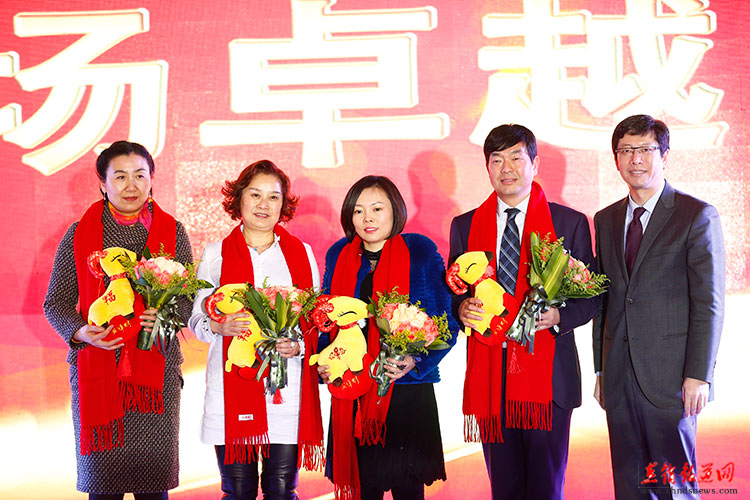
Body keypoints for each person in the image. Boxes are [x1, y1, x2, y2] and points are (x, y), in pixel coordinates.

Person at [448, 124, 599, 500]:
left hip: (547, 376)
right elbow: (453, 290)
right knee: (505, 487)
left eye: (516, 157)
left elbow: (592, 297)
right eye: (496, 160)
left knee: (546, 487)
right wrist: (460, 308)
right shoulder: (466, 226)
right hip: (491, 374)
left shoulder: (569, 223)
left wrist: (559, 317)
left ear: (535, 164)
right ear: (487, 167)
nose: (507, 168)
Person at [43, 141, 194, 500]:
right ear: (103, 183)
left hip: (154, 380)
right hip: (99, 374)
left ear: (152, 179)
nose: (131, 185)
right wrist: (81, 331)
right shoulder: (79, 234)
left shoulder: (173, 232)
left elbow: (187, 299)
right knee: (103, 488)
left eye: (139, 175)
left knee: (152, 489)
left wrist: (165, 317)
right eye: (120, 176)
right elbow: (55, 303)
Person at [592, 114, 725, 499]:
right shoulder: (605, 219)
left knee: (674, 486)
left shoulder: (695, 215)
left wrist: (699, 374)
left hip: (672, 380)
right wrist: (601, 369)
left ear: (664, 155)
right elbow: (605, 301)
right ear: (616, 159)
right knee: (629, 485)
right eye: (626, 151)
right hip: (619, 377)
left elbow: (709, 304)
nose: (635, 159)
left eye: (646, 149)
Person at [188, 160, 324, 500]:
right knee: (238, 491)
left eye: (273, 197)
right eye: (255, 194)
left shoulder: (301, 253)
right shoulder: (215, 255)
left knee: (282, 490)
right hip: (231, 387)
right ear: (239, 199)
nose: (264, 204)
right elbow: (196, 320)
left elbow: (314, 319)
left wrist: (299, 345)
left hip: (285, 392)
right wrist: (217, 325)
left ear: (283, 204)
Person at [319, 175, 457, 500]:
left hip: (407, 392)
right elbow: (324, 318)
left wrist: (416, 360)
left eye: (377, 208)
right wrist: (325, 363)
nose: (367, 218)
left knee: (408, 491)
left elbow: (447, 320)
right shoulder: (339, 255)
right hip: (354, 390)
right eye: (358, 210)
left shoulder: (420, 252)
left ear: (395, 210)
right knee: (362, 490)